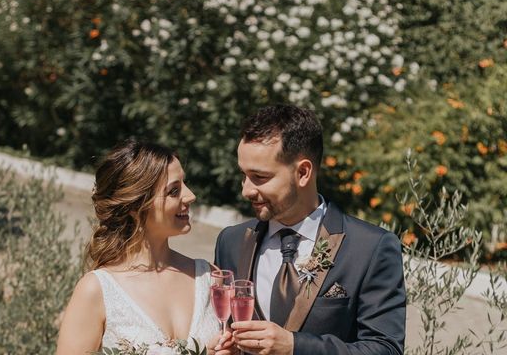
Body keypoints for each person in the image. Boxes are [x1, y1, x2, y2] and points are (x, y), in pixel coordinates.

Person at [214, 104, 406, 355]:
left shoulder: (371, 248)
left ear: (303, 172)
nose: (246, 190)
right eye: (244, 175)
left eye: (259, 177)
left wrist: (295, 346)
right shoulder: (231, 241)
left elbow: (386, 349)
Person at [57, 139, 233, 354]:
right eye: (174, 191)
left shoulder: (209, 277)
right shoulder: (97, 290)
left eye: (184, 185)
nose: (191, 196)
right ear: (136, 206)